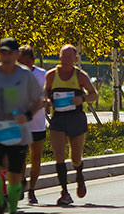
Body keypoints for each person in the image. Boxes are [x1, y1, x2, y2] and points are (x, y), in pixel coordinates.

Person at [0, 38, 44, 214]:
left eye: (9, 53)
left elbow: (39, 100)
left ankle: (12, 207)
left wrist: (27, 115)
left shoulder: (25, 75)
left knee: (15, 176)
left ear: (16, 55)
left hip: (18, 131)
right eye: (2, 52)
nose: (5, 56)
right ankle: (0, 201)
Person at [45, 44, 98, 206]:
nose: (66, 60)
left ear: (76, 59)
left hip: (76, 118)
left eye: (70, 57)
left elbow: (94, 95)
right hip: (58, 118)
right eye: (63, 56)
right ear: (59, 57)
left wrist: (81, 99)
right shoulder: (51, 75)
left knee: (75, 157)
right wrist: (46, 101)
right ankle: (64, 192)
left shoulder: (81, 76)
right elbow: (45, 93)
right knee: (59, 156)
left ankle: (79, 175)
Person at [17, 46, 46, 205]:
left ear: (33, 61)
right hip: (20, 124)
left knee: (36, 158)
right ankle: (21, 180)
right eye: (21, 62)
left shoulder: (41, 74)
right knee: (20, 157)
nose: (24, 66)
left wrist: (41, 105)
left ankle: (32, 190)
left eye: (27, 62)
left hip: (37, 123)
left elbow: (45, 96)